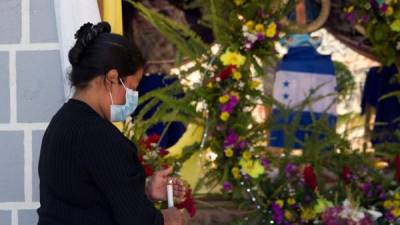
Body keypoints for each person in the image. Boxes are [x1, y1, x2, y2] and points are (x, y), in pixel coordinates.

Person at [37, 22, 185, 225]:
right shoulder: (102, 137)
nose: (133, 98)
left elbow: (88, 197)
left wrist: (144, 191)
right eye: (132, 88)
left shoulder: (62, 121)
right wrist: (167, 220)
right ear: (112, 78)